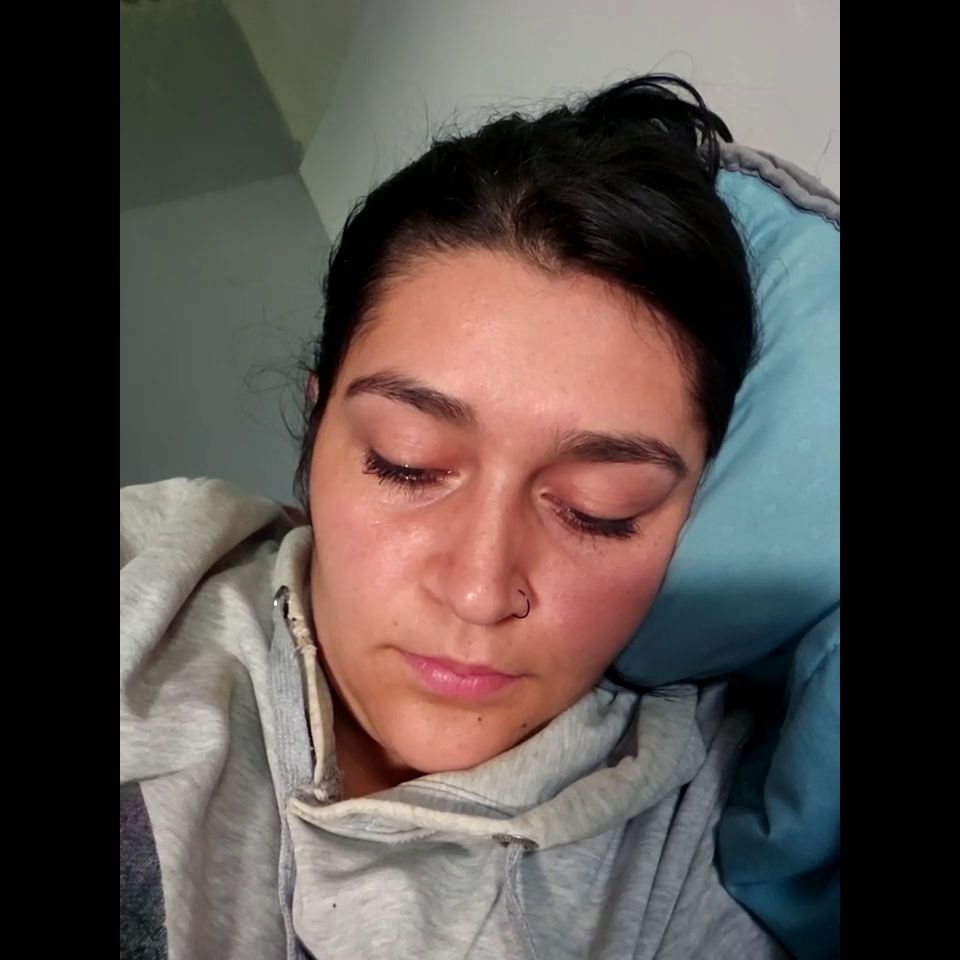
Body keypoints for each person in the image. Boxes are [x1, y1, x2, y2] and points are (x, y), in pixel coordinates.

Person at [120, 74, 789, 959]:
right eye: (408, 463)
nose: (478, 590)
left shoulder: (706, 852)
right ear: (317, 434)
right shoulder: (151, 577)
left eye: (599, 509)